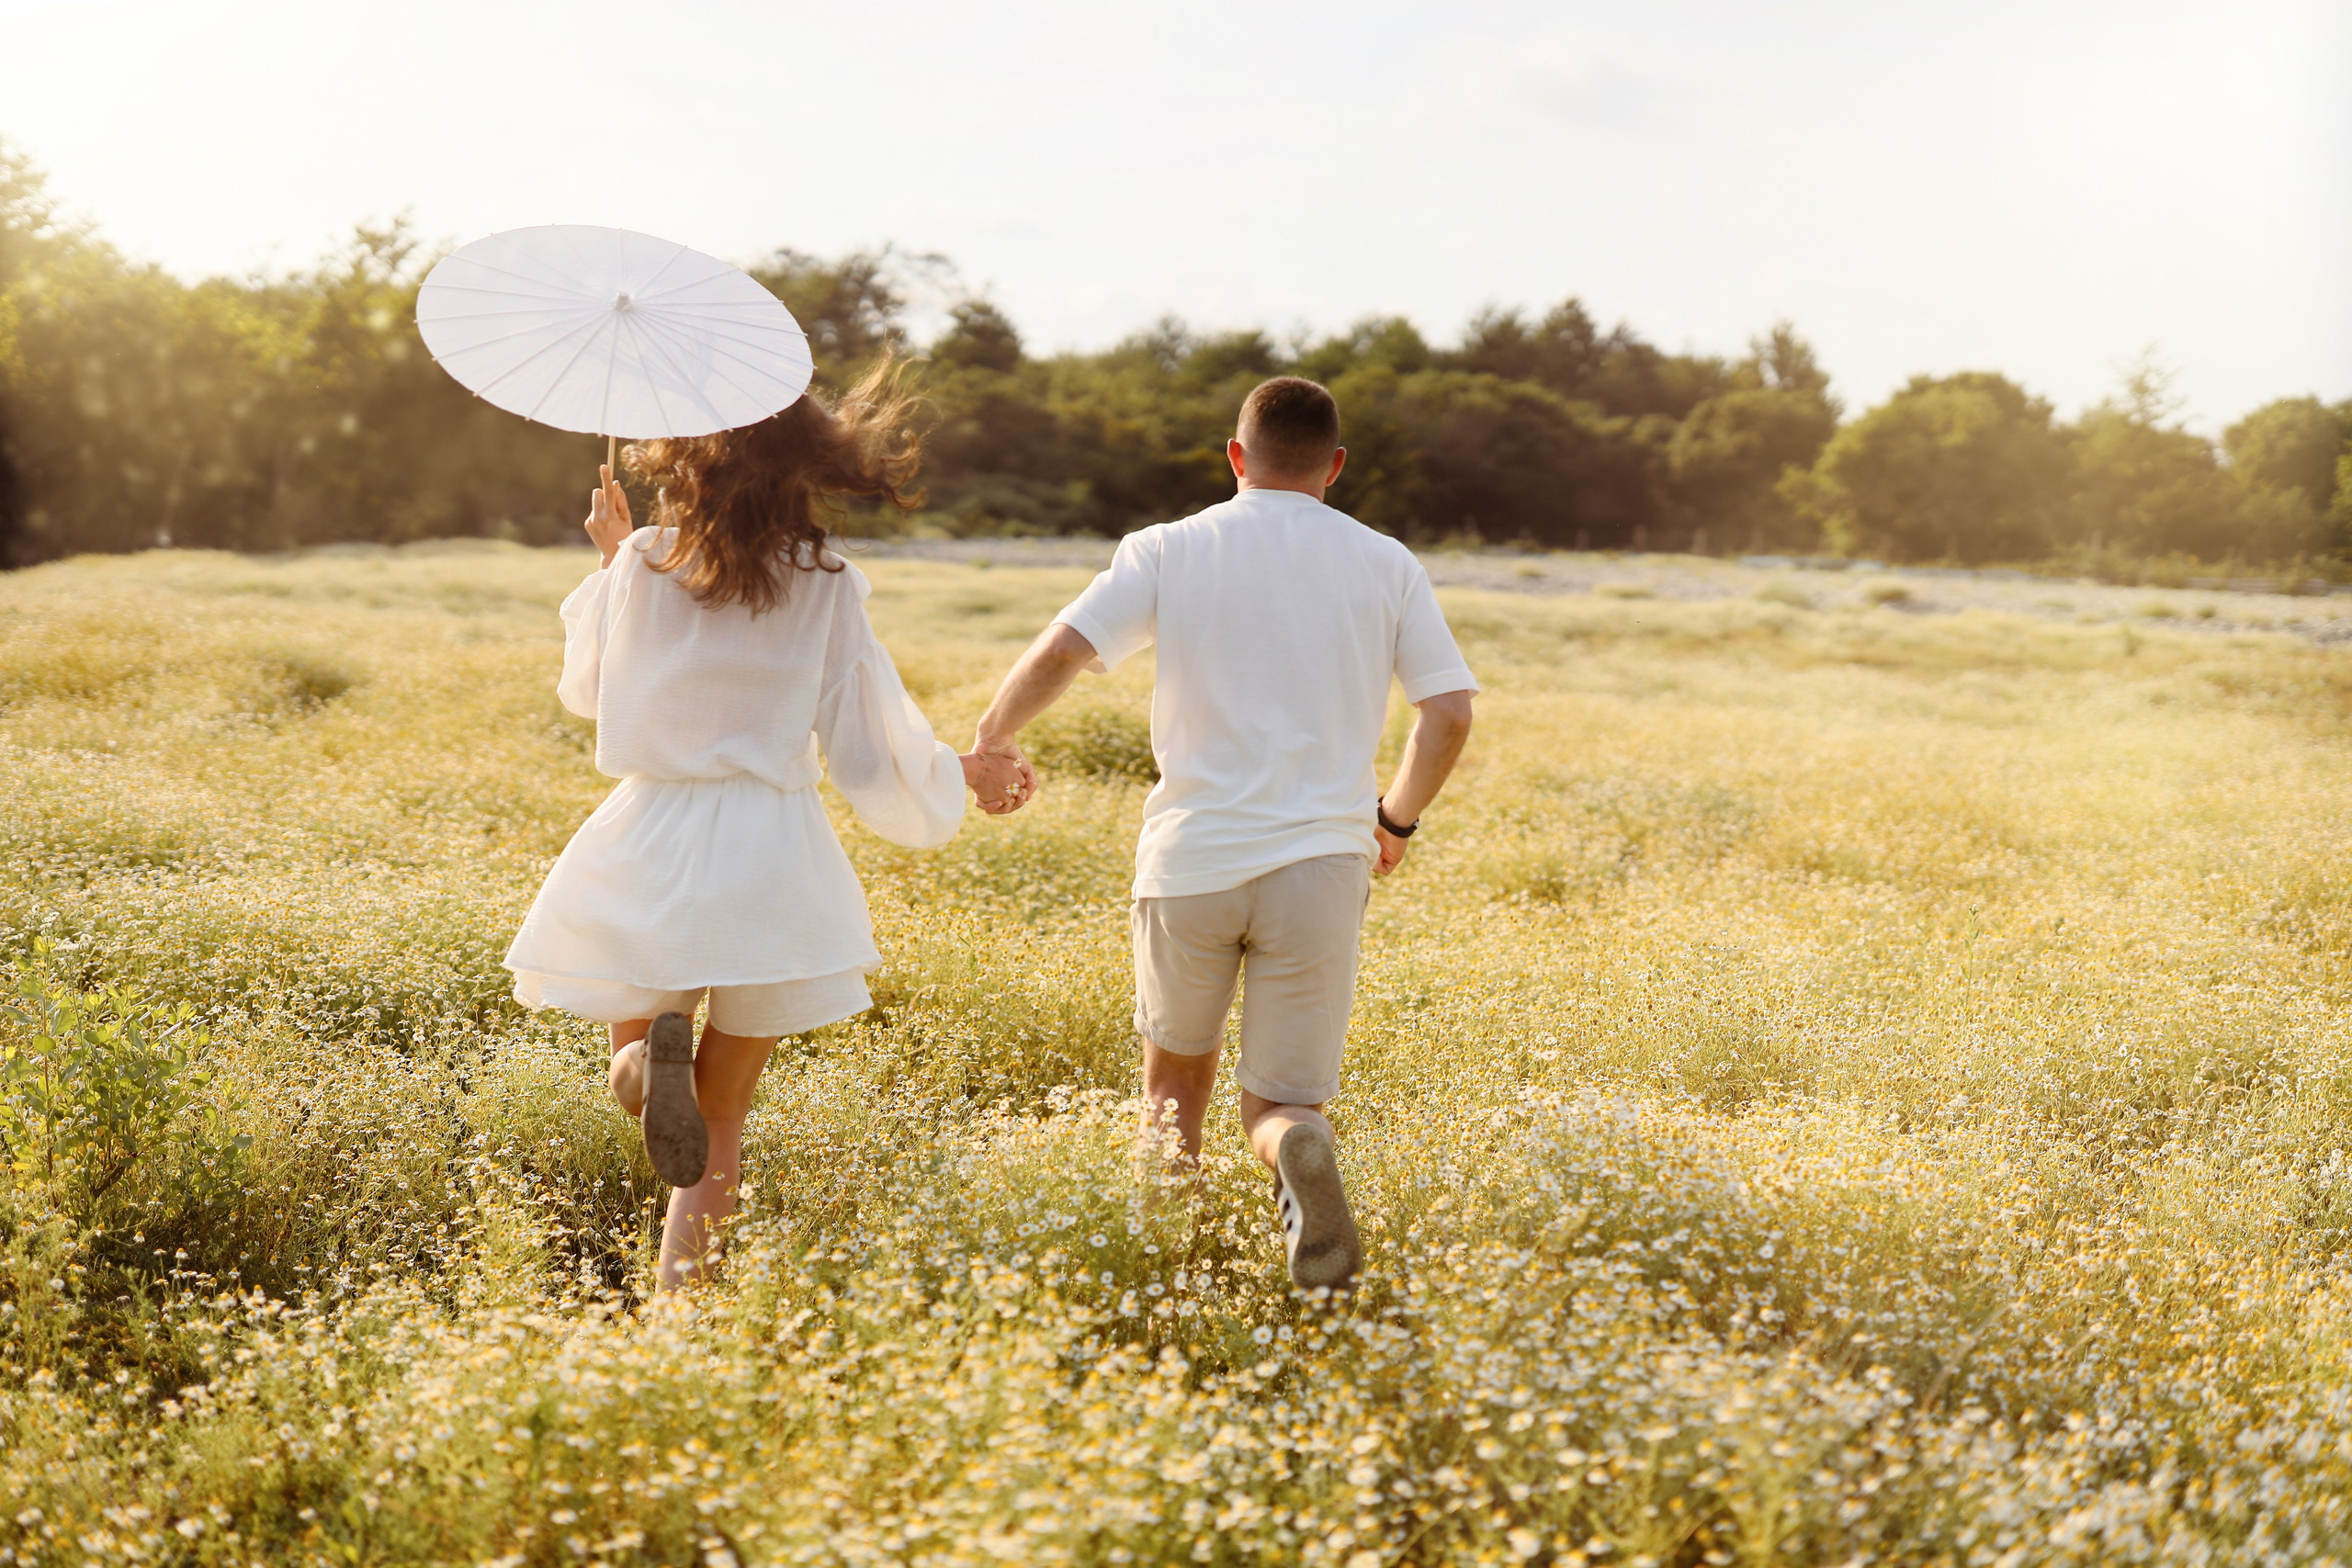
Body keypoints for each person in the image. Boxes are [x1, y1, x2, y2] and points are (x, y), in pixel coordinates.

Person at [503, 362, 1035, 1290]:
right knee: (720, 1122)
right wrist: (967, 769)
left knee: (639, 1062)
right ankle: (685, 1317)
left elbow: (589, 693)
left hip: (652, 836)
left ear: (688, 461)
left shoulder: (642, 561)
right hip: (772, 852)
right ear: (806, 466)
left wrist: (612, 561)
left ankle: (641, 1066)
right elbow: (868, 751)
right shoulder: (826, 582)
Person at [970, 376, 1476, 1292]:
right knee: (1283, 1100)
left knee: (1171, 1089)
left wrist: (993, 737)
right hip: (1322, 864)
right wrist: (1393, 818)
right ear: (1334, 467)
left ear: (1236, 456)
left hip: (1191, 860)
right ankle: (1294, 1148)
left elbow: (1064, 649)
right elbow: (1448, 712)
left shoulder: (1168, 546)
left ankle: (1165, 1275)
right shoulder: (1386, 560)